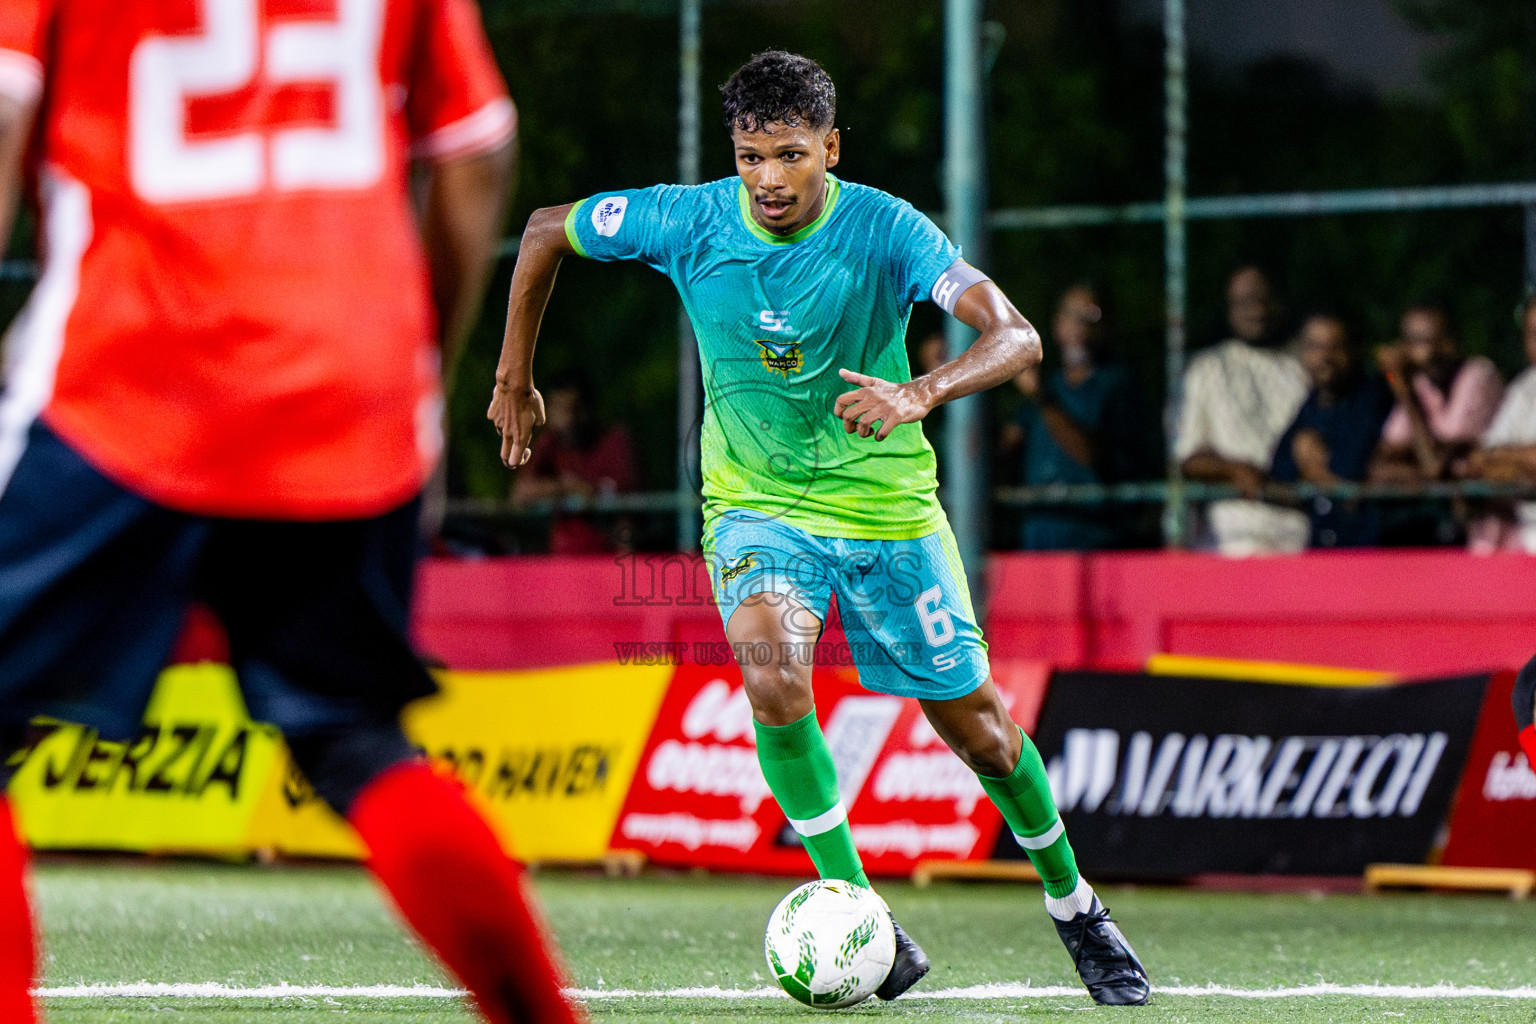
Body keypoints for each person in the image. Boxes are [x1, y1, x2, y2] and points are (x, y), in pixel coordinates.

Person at [488, 51, 1151, 1006]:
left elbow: (1017, 336)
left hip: (885, 509)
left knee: (984, 735)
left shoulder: (887, 228)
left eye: (790, 156)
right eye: (751, 156)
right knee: (773, 677)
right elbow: (546, 229)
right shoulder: (687, 218)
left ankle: (1077, 907)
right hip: (757, 506)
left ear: (829, 149)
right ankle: (859, 910)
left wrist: (921, 391)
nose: (768, 180)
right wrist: (515, 375)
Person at [0, 4, 584, 1023]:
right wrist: (415, 377)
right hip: (345, 387)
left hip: (129, 371)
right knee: (357, 741)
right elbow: (480, 151)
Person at [1176, 265, 1311, 555]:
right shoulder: (1206, 368)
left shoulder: (1306, 366)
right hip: (1230, 539)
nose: (1258, 309)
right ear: (1229, 306)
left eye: (1265, 298)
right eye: (1246, 300)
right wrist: (1236, 471)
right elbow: (1187, 459)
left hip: (1301, 536)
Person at [1001, 284, 1146, 550]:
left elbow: (1091, 453)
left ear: (1108, 326)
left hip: (1095, 540)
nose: (1080, 326)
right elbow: (1002, 450)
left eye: (1091, 316)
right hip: (1038, 540)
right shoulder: (1050, 385)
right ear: (1057, 325)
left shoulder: (1118, 384)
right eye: (1072, 315)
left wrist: (1041, 397)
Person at [1368, 300, 1503, 545]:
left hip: (1483, 536)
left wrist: (1406, 394)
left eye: (1440, 339)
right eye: (1419, 342)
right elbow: (1381, 463)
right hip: (1437, 526)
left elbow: (1434, 465)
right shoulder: (1420, 383)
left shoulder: (1480, 375)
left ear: (1457, 339)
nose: (1431, 352)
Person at [1269, 313, 1393, 548]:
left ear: (1355, 350)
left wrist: (1311, 467)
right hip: (1323, 548)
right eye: (1315, 347)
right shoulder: (1312, 403)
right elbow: (1280, 471)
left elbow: (1348, 469)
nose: (1325, 357)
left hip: (1372, 549)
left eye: (1335, 347)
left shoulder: (1372, 396)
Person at [512, 374, 640, 553]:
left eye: (574, 409)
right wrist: (566, 487)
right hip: (565, 563)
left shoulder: (614, 440)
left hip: (609, 558)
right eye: (560, 409)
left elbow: (629, 502)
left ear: (589, 408)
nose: (569, 419)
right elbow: (520, 493)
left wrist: (592, 491)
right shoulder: (550, 443)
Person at [1464, 296, 1536, 552]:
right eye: (1533, 333)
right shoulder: (1525, 387)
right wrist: (1518, 464)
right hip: (1520, 537)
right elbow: (1480, 458)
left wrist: (1506, 460)